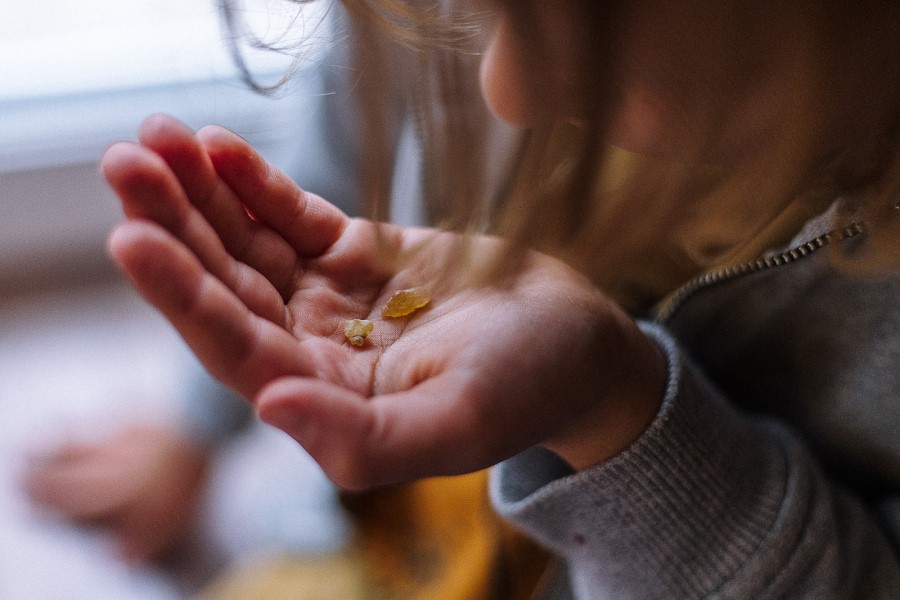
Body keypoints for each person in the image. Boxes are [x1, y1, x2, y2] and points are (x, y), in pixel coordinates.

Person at [98, 0, 900, 598]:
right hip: (388, 548)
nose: (502, 92)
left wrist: (617, 411)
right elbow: (340, 159)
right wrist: (194, 434)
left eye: (588, 29)